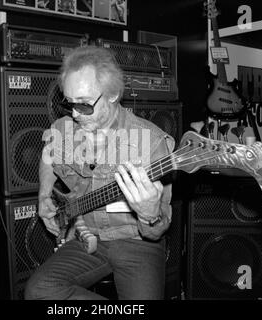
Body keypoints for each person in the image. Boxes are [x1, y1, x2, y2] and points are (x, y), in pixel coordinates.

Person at [24, 45, 175, 300]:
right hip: (85, 234)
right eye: (69, 103)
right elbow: (48, 157)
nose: (74, 113)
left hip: (136, 242)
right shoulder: (63, 128)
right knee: (38, 292)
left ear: (113, 94)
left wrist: (150, 216)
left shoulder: (152, 142)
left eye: (84, 105)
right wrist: (44, 194)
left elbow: (157, 230)